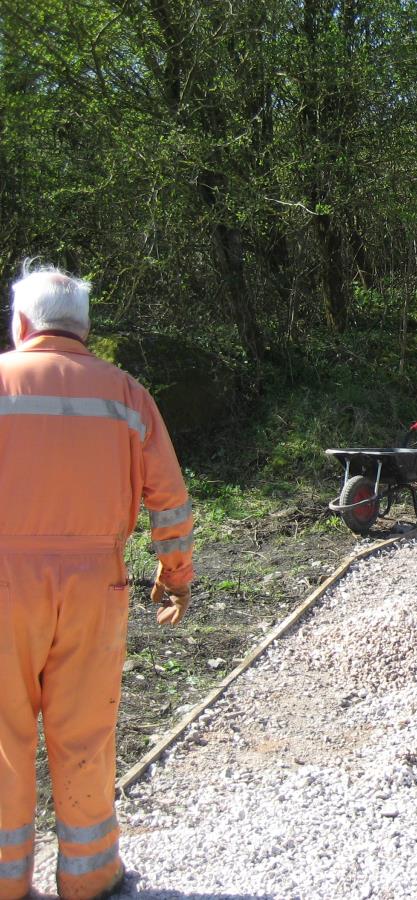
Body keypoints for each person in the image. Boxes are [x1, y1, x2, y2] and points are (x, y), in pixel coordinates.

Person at [0, 262, 194, 900]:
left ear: (23, 322)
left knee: (3, 737)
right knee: (85, 729)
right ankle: (90, 880)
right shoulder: (126, 395)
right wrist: (175, 574)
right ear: (85, 328)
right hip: (94, 588)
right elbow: (169, 499)